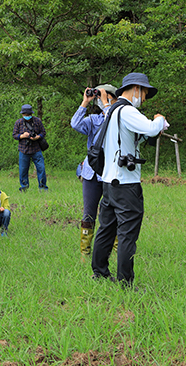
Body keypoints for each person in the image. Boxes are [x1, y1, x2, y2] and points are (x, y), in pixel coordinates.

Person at [91, 73, 167, 287]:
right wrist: (160, 119)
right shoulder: (127, 110)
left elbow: (130, 138)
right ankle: (125, 282)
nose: (143, 99)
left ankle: (99, 273)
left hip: (109, 182)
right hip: (126, 184)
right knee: (127, 233)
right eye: (143, 93)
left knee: (106, 229)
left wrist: (148, 134)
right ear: (135, 89)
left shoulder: (113, 111)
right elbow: (152, 127)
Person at [70, 85, 117, 258]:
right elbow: (75, 124)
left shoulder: (119, 116)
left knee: (114, 211)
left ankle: (116, 250)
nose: (99, 98)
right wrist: (85, 101)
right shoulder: (93, 119)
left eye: (104, 95)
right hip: (91, 172)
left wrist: (107, 104)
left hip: (111, 172)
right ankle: (85, 252)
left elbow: (114, 123)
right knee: (89, 212)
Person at [12, 104, 48, 192]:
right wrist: (22, 136)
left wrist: (37, 137)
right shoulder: (18, 122)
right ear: (22, 114)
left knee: (41, 169)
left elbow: (43, 132)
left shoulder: (37, 121)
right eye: (25, 115)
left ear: (31, 113)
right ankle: (24, 188)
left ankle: (43, 187)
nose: (27, 116)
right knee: (23, 171)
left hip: (36, 149)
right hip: (23, 150)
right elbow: (14, 135)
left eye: (28, 115)